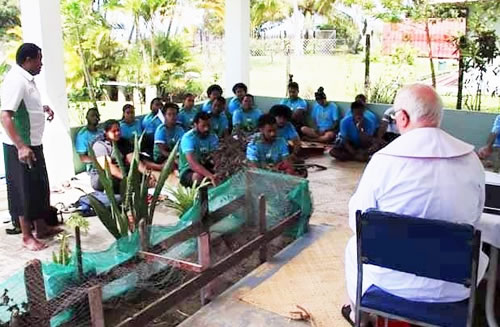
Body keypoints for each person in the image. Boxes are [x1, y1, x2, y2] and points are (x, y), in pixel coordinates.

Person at [342, 84, 489, 326]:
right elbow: (475, 216)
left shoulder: (383, 162)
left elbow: (357, 221)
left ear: (403, 117)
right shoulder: (471, 160)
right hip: (455, 285)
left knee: (352, 245)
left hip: (390, 281)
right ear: (439, 116)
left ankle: (359, 313)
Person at [1, 43, 61, 250]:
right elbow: (5, 115)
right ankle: (27, 236)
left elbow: (25, 106)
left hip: (34, 143)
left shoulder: (27, 81)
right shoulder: (16, 80)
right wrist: (20, 146)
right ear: (27, 60)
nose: (41, 64)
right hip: (22, 147)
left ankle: (41, 227)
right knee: (23, 191)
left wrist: (42, 108)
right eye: (39, 59)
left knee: (38, 188)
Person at [91, 119, 161, 193]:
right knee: (114, 182)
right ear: (106, 133)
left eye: (118, 130)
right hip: (105, 175)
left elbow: (134, 160)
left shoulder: (123, 142)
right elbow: (108, 166)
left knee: (143, 176)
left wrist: (146, 173)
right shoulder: (100, 145)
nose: (117, 133)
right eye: (113, 131)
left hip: (123, 172)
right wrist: (127, 180)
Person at [179, 111, 219, 187]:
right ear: (195, 125)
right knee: (198, 177)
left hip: (205, 165)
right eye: (203, 126)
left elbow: (216, 157)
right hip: (188, 169)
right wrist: (210, 176)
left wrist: (218, 170)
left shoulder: (213, 136)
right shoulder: (188, 138)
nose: (206, 129)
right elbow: (192, 163)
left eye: (208, 125)